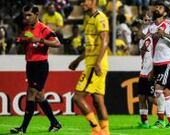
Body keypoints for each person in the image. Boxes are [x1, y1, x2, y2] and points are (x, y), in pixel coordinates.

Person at [10, 4, 62, 134]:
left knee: (31, 93)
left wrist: (39, 40)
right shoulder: (26, 29)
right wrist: (22, 42)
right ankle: (55, 123)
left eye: (29, 15)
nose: (26, 18)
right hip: (30, 64)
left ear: (36, 15)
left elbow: (57, 43)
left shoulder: (44, 29)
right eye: (25, 15)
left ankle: (23, 128)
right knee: (39, 96)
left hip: (41, 65)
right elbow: (25, 47)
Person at [68, 0, 110, 135]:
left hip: (95, 65)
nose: (82, 4)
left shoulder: (100, 17)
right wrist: (77, 60)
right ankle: (105, 130)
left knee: (77, 98)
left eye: (85, 1)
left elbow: (105, 40)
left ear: (93, 2)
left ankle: (96, 129)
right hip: (93, 63)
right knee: (98, 100)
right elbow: (91, 47)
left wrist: (97, 62)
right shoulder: (90, 19)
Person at [149, 1, 170, 128]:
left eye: (160, 7)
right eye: (156, 7)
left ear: (165, 11)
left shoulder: (169, 24)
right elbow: (153, 48)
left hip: (167, 62)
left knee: (158, 90)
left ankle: (161, 120)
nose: (157, 9)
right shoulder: (152, 26)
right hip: (157, 63)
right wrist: (152, 67)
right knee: (167, 92)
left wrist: (166, 35)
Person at [137, 13, 154, 129]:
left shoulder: (153, 34)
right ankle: (145, 122)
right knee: (142, 97)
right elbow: (139, 35)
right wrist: (140, 26)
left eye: (148, 19)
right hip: (143, 71)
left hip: (151, 70)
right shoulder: (142, 37)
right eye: (144, 19)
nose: (146, 21)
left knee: (152, 98)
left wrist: (154, 70)